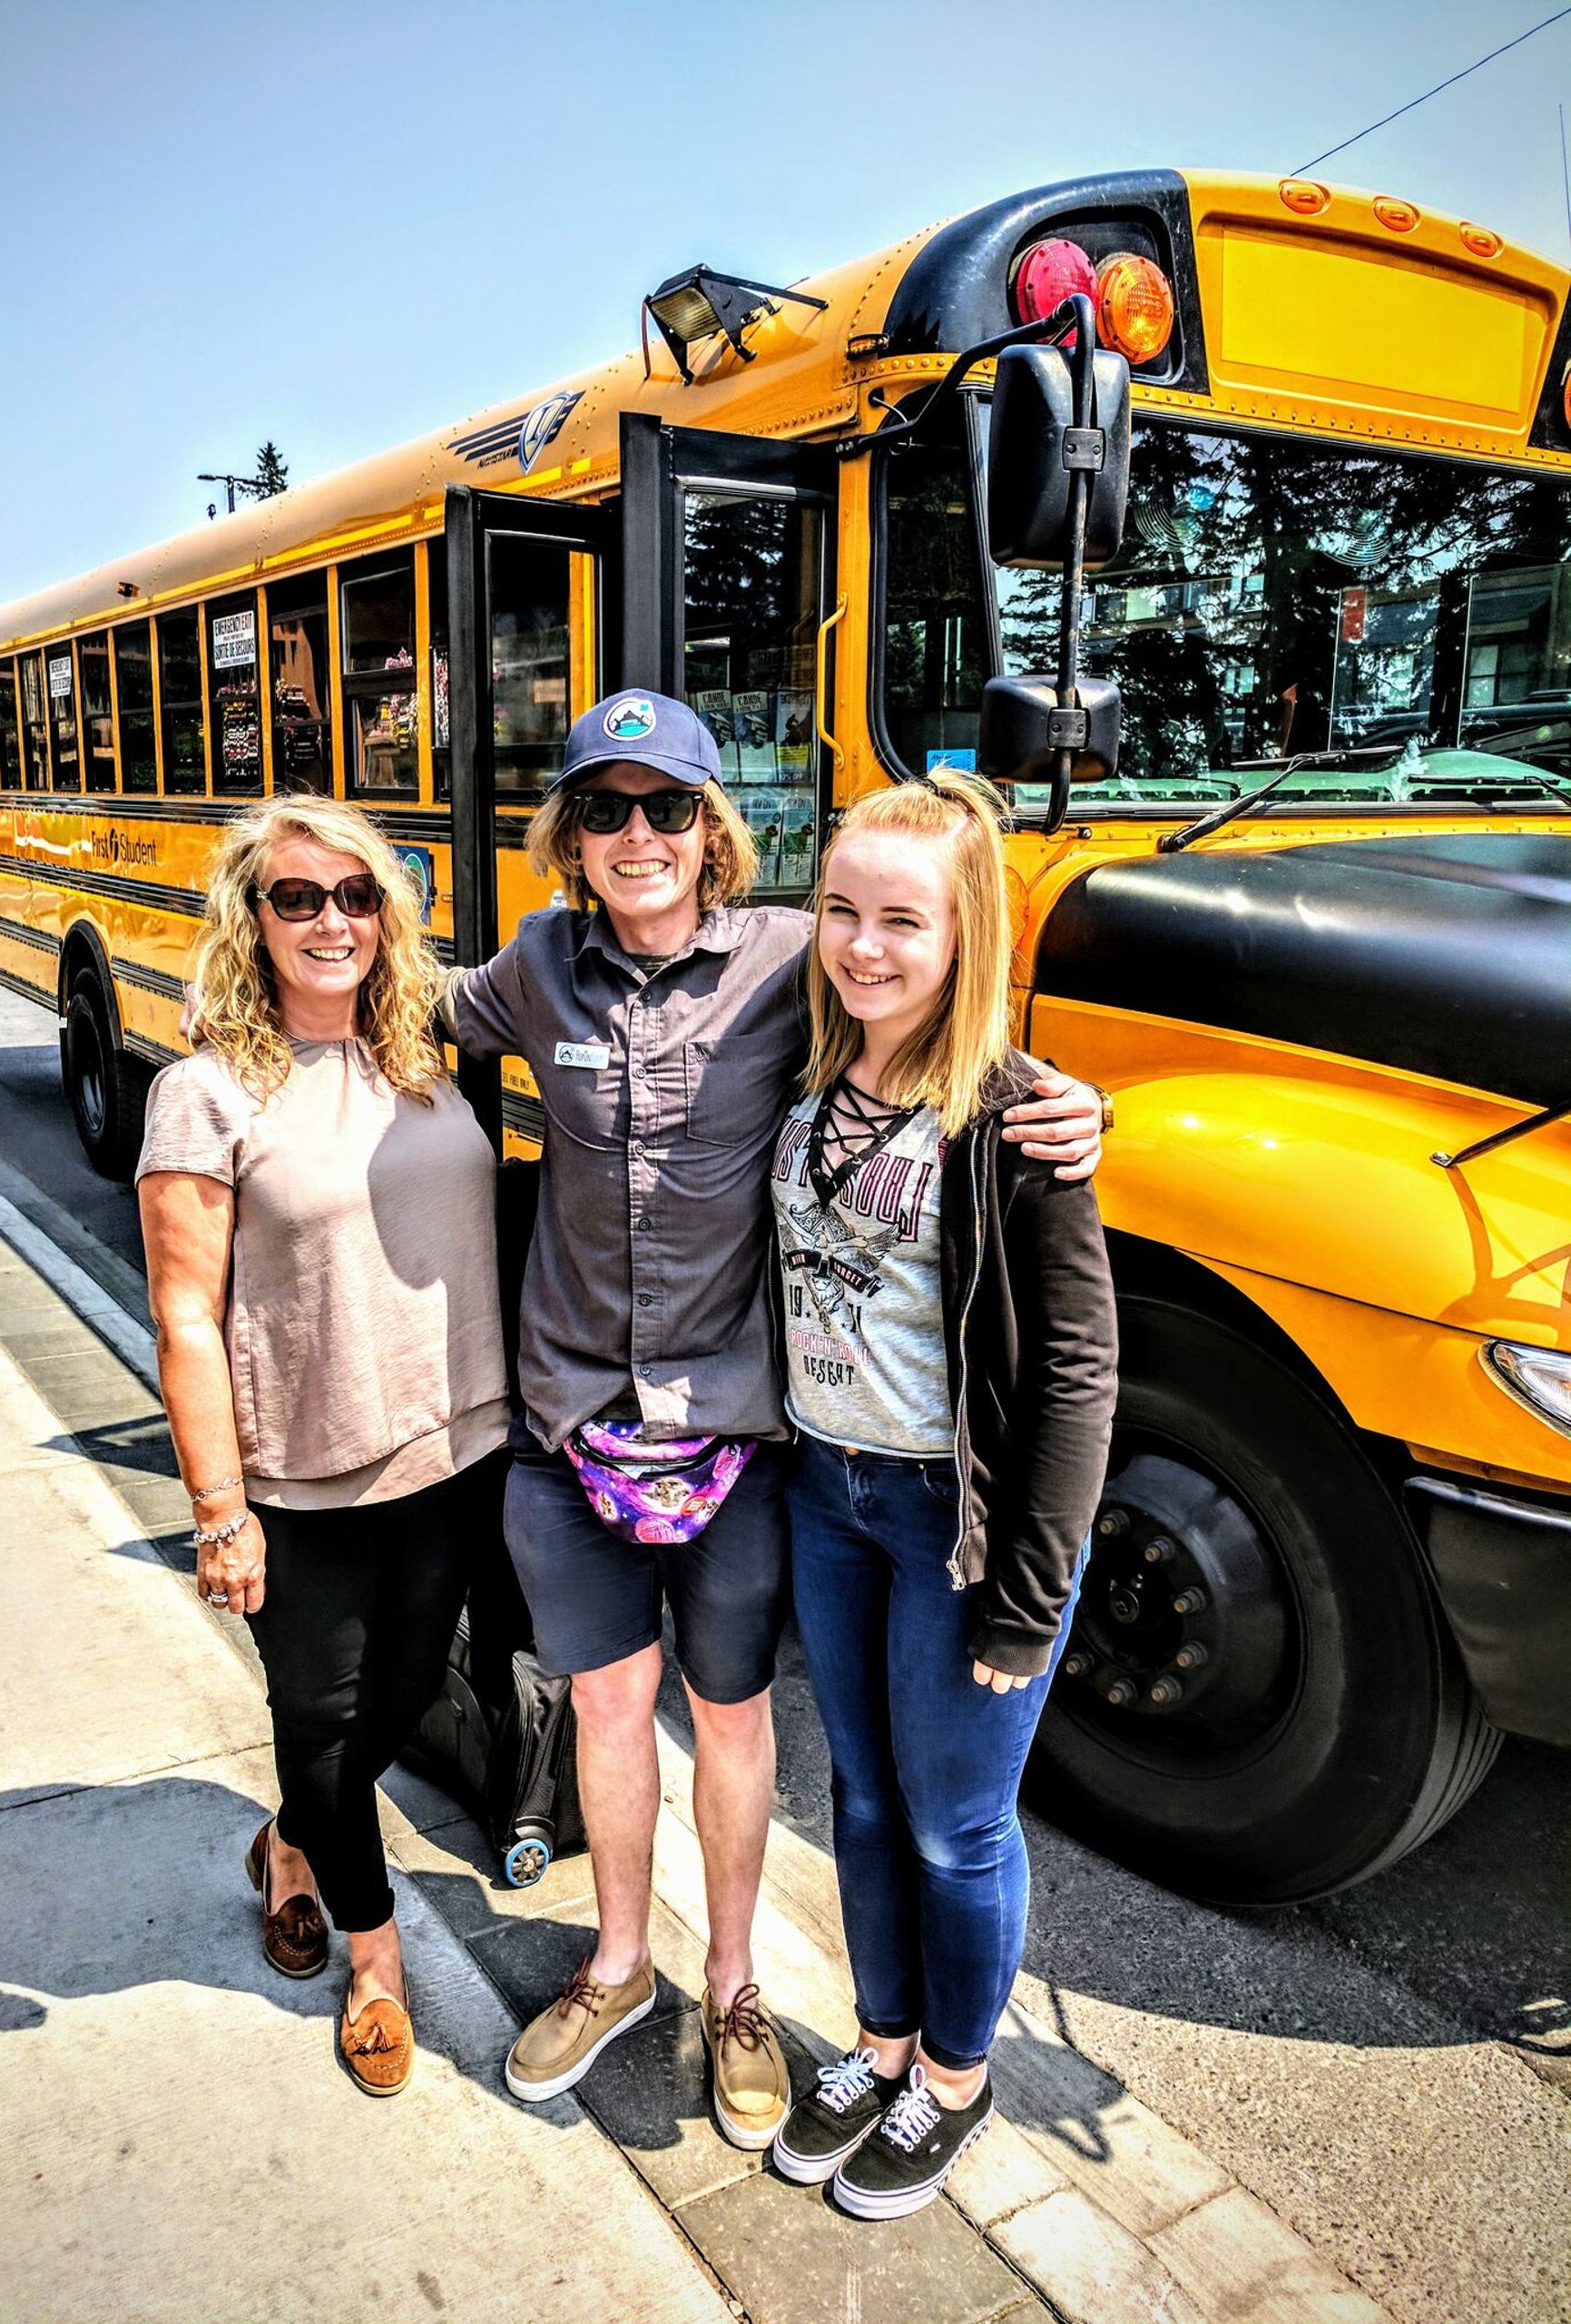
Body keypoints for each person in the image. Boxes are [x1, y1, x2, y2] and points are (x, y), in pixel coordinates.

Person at [441, 690, 1106, 2147]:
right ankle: (621, 1965)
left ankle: (739, 1994)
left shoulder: (792, 965)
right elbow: (394, 1011)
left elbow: (945, 994)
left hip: (743, 1442)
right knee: (617, 1709)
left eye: (668, 806)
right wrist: (249, 1036)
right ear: (567, 834)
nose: (638, 836)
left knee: (746, 1723)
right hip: (573, 1425)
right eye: (605, 808)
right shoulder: (531, 969)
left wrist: (1073, 1105)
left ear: (713, 830)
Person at [765, 771, 1117, 2216]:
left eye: (902, 922)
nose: (862, 947)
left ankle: (956, 2082)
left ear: (968, 935)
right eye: (841, 911)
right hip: (824, 1494)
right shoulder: (806, 1067)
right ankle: (881, 2039)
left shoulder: (1017, 1120)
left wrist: (1030, 1601)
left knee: (954, 1825)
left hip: (947, 1521)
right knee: (854, 1794)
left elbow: (1080, 1372)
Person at [137, 796, 509, 2099]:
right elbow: (186, 1315)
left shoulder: (420, 1055)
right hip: (299, 1483)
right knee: (326, 1730)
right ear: (253, 918)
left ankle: (291, 1847)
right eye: (297, 897)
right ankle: (376, 1962)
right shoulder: (204, 1092)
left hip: (457, 1456)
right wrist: (218, 1511)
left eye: (357, 894)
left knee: (397, 1716)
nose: (331, 919)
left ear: (388, 914)